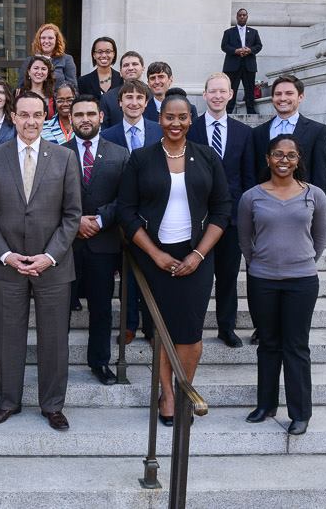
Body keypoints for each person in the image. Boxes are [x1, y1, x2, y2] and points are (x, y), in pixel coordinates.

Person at [118, 92, 232, 426]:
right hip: (155, 256)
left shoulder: (207, 156)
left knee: (190, 333)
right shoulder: (141, 158)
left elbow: (222, 208)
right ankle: (167, 393)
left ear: (190, 120)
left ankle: (185, 389)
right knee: (163, 330)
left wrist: (198, 254)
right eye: (169, 117)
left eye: (182, 117)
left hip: (197, 255)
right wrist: (154, 254)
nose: (176, 124)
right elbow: (126, 211)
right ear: (160, 119)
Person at [0, 92, 82, 431]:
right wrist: (7, 256)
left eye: (37, 115)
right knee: (8, 337)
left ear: (45, 116)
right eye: (24, 115)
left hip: (53, 265)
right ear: (13, 116)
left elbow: (72, 216)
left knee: (54, 339)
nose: (30, 121)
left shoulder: (65, 158)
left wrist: (49, 256)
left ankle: (53, 405)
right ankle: (7, 402)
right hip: (7, 267)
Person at [239, 135, 326, 436]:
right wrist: (264, 264)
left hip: (301, 281)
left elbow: (320, 240)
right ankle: (266, 405)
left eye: (291, 155)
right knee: (268, 343)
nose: (284, 160)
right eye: (278, 154)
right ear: (267, 158)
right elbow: (245, 241)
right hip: (262, 280)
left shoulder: (314, 195)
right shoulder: (251, 196)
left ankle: (300, 412)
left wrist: (298, 262)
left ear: (298, 159)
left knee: (296, 346)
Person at [62, 95, 129, 385]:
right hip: (65, 245)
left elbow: (125, 198)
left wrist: (100, 220)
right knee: (60, 309)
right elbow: (49, 197)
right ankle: (56, 362)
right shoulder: (57, 153)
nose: (85, 119)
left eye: (90, 113)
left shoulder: (120, 153)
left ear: (101, 116)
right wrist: (74, 222)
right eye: (79, 114)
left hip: (103, 244)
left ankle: (99, 362)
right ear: (71, 119)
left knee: (101, 309)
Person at [187, 72, 256, 348]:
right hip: (198, 219)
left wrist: (244, 215)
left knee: (227, 277)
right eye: (212, 91)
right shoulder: (191, 129)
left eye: (222, 91)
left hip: (231, 222)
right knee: (196, 277)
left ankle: (226, 327)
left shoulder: (244, 133)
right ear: (204, 95)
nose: (217, 96)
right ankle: (191, 327)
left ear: (230, 95)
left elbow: (248, 178)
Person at [102, 79, 161, 344]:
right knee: (127, 272)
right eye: (129, 98)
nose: (134, 102)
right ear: (120, 102)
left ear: (146, 103)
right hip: (120, 214)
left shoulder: (158, 131)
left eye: (139, 98)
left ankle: (151, 324)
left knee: (151, 269)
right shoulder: (108, 135)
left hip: (152, 212)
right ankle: (128, 324)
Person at [252, 74, 326, 192]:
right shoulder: (258, 132)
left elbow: (321, 173)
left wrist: (316, 204)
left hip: (302, 201)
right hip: (265, 201)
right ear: (272, 98)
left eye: (289, 93)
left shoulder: (317, 131)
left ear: (300, 97)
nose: (283, 98)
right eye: (278, 94)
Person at [222, 8, 263, 114]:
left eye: (244, 15)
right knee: (231, 88)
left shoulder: (254, 32)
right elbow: (224, 46)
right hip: (232, 65)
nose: (242, 17)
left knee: (249, 88)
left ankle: (250, 109)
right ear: (236, 17)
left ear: (247, 17)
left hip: (248, 64)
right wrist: (236, 51)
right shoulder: (228, 32)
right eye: (240, 15)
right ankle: (228, 110)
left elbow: (259, 46)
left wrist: (250, 50)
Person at [18, 23, 77, 90]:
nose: (46, 41)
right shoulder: (29, 61)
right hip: (34, 99)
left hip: (57, 99)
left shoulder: (66, 59)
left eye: (50, 38)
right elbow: (20, 87)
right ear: (39, 40)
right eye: (43, 38)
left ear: (57, 40)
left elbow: (73, 88)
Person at [99, 51, 146, 129]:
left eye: (135, 64)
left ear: (143, 69)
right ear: (120, 72)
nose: (130, 68)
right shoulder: (107, 98)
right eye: (126, 65)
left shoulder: (153, 95)